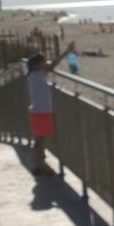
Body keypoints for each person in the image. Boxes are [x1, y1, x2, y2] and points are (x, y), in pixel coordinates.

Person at [26, 42, 75, 176]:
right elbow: (54, 64)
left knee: (39, 138)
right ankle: (40, 165)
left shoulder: (33, 75)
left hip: (36, 111)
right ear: (37, 65)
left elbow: (50, 65)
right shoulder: (39, 74)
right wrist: (67, 51)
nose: (45, 64)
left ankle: (38, 163)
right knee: (40, 139)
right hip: (41, 112)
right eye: (43, 62)